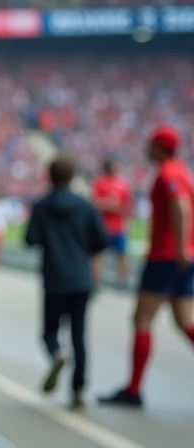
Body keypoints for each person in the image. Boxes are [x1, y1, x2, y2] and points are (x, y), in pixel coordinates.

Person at [100, 125, 194, 408]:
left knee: (141, 320)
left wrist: (178, 247)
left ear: (160, 147)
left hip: (166, 257)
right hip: (180, 257)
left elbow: (180, 206)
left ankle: (133, 389)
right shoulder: (182, 171)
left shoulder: (169, 174)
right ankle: (133, 388)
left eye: (151, 144)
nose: (147, 148)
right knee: (184, 321)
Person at [25, 155, 108, 411]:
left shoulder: (41, 206)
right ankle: (78, 389)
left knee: (49, 331)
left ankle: (56, 354)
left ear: (48, 176)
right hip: (81, 279)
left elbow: (30, 239)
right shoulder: (85, 206)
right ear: (72, 176)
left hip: (54, 278)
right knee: (79, 337)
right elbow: (101, 241)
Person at [91, 158, 133, 289]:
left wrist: (110, 206)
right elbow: (95, 204)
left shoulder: (123, 184)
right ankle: (95, 283)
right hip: (102, 227)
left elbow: (127, 206)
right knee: (99, 255)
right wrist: (109, 204)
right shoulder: (100, 183)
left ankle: (124, 282)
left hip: (119, 228)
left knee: (122, 255)